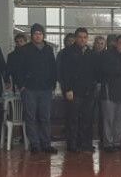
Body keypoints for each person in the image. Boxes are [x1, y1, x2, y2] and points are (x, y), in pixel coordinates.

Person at [19, 24, 58, 154]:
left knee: (45, 117)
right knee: (31, 118)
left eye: (40, 34)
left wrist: (53, 84)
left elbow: (53, 68)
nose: (38, 36)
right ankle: (35, 144)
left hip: (46, 89)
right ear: (31, 35)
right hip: (29, 89)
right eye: (35, 34)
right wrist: (21, 85)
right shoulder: (25, 50)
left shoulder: (48, 49)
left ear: (43, 35)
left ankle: (46, 144)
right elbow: (19, 69)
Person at [60, 27, 97, 152]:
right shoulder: (68, 52)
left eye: (85, 37)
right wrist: (68, 89)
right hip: (73, 92)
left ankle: (85, 143)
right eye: (80, 37)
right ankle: (73, 145)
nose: (82, 39)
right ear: (76, 38)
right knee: (73, 119)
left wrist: (93, 87)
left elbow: (94, 72)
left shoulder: (90, 53)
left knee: (87, 119)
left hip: (88, 92)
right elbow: (65, 73)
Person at [100, 34, 121, 152]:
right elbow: (105, 69)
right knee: (108, 120)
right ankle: (108, 143)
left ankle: (117, 142)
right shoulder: (106, 55)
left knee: (119, 120)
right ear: (116, 44)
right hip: (109, 92)